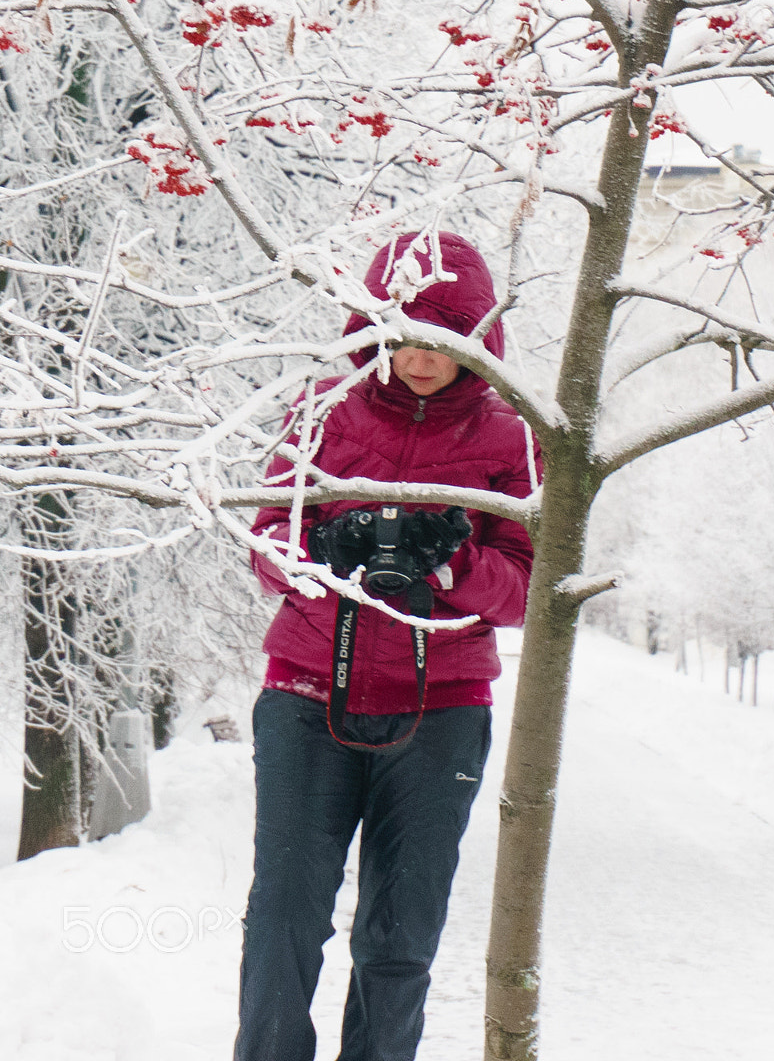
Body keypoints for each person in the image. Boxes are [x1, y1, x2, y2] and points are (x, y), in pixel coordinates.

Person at [233, 231, 538, 1061]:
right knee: (284, 922)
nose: (416, 356)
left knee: (400, 936)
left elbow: (521, 590)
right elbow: (267, 546)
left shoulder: (512, 439)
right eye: (399, 334)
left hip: (440, 712)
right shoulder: (323, 411)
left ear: (474, 338)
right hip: (305, 697)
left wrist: (449, 562)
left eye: (437, 339)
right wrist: (326, 551)